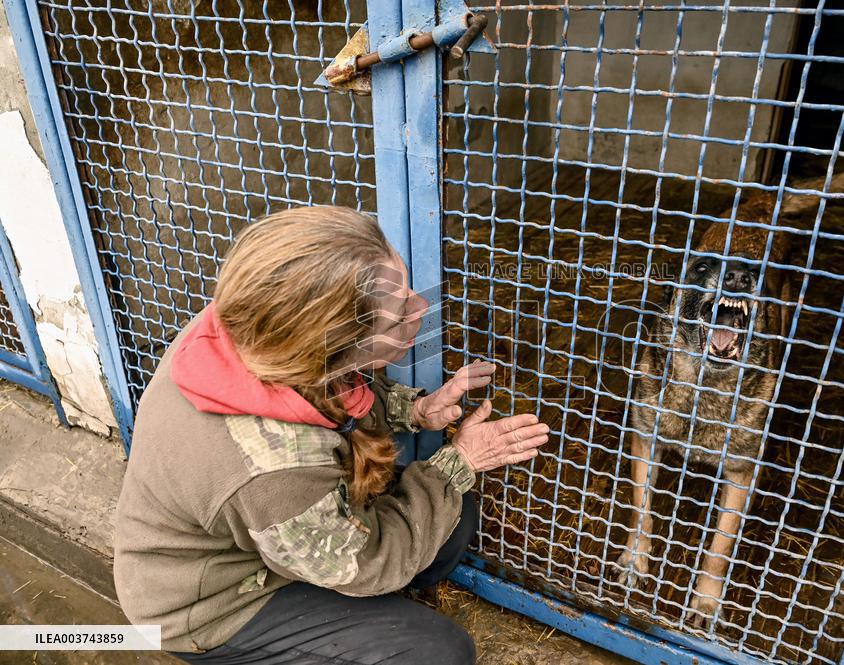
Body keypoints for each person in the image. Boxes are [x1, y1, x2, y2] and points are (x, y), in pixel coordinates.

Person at [113, 206, 550, 664]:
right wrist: (461, 461)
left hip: (271, 534)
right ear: (332, 345)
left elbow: (335, 392)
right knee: (437, 653)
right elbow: (368, 561)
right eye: (398, 317)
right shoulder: (273, 472)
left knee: (453, 518)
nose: (421, 309)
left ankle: (360, 609)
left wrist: (415, 410)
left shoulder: (263, 323)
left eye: (408, 292)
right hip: (210, 603)